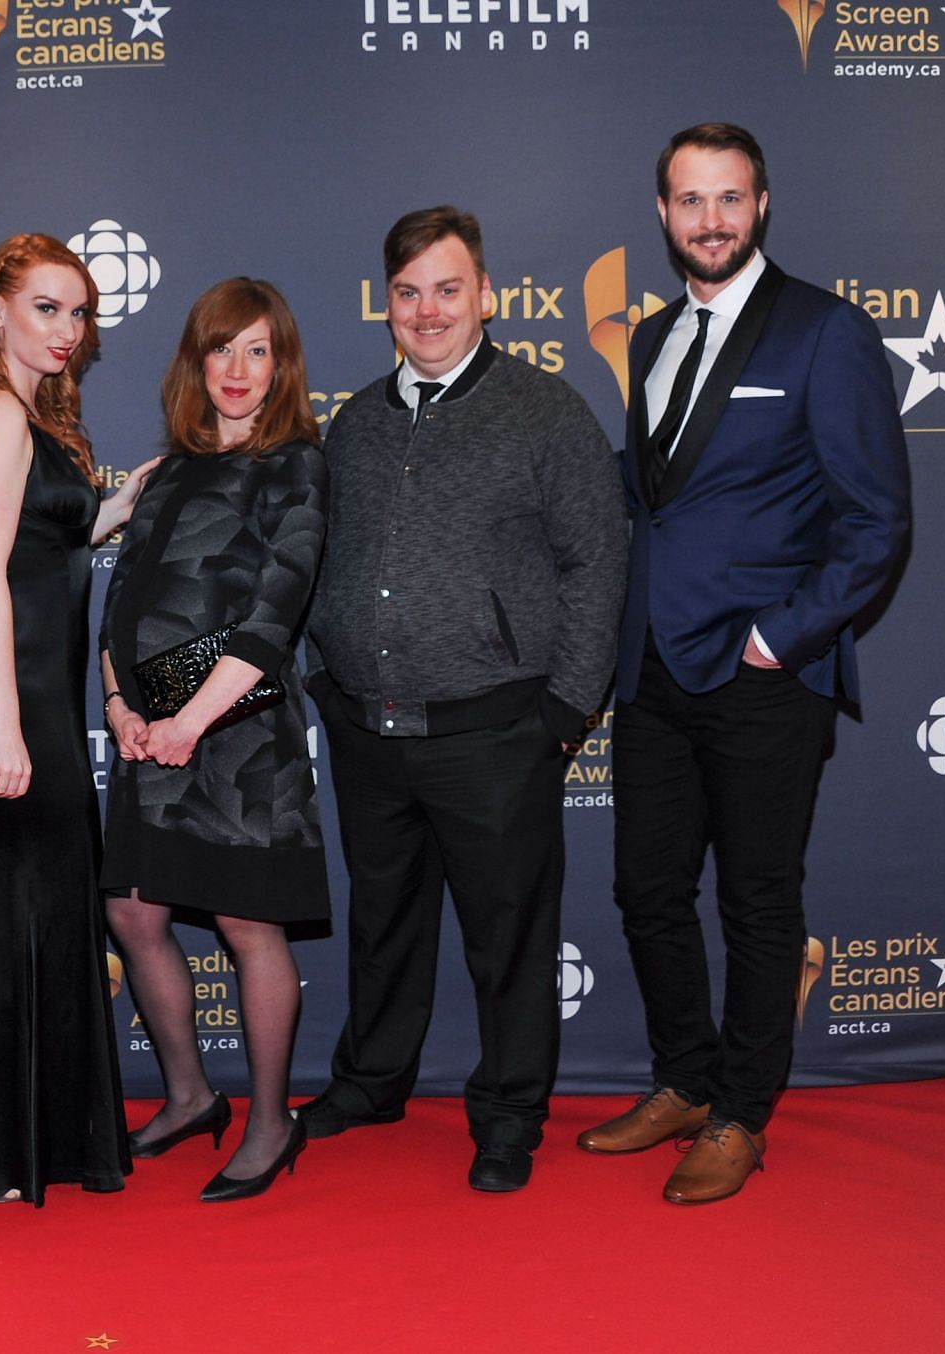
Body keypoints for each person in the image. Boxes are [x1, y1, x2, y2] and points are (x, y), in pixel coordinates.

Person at [577, 123, 910, 1204]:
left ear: (761, 205)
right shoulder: (658, 335)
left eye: (729, 198)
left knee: (758, 901)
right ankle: (683, 1077)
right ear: (664, 215)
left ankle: (741, 1112)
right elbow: (655, 504)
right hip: (656, 672)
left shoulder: (827, 332)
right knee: (646, 888)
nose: (709, 219)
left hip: (764, 671)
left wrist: (783, 637)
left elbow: (876, 519)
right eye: (688, 201)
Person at [297, 207, 627, 1192]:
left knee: (509, 936)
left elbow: (598, 562)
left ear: (485, 295)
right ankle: (371, 1079)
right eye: (408, 293)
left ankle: (509, 1112)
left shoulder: (545, 410)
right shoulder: (353, 423)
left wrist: (565, 711)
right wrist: (325, 673)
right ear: (385, 304)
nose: (427, 310)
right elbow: (315, 563)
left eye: (448, 289)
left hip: (496, 733)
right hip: (366, 728)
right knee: (382, 921)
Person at [99, 279, 330, 1203]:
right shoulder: (169, 470)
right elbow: (122, 607)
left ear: (282, 366)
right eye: (221, 349)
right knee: (133, 915)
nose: (237, 371)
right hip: (151, 725)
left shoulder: (298, 467)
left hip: (238, 731)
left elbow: (276, 616)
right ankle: (192, 1094)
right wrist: (122, 710)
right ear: (197, 360)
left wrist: (191, 723)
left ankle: (273, 1121)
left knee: (246, 922)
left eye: (258, 351)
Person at [0, 234, 154, 1205]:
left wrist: (124, 505)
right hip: (8, 698)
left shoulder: (33, 412)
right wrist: (6, 725)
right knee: (14, 912)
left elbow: (46, 547)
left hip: (37, 695)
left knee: (45, 907)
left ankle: (33, 1138)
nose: (67, 330)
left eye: (78, 313)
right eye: (46, 307)